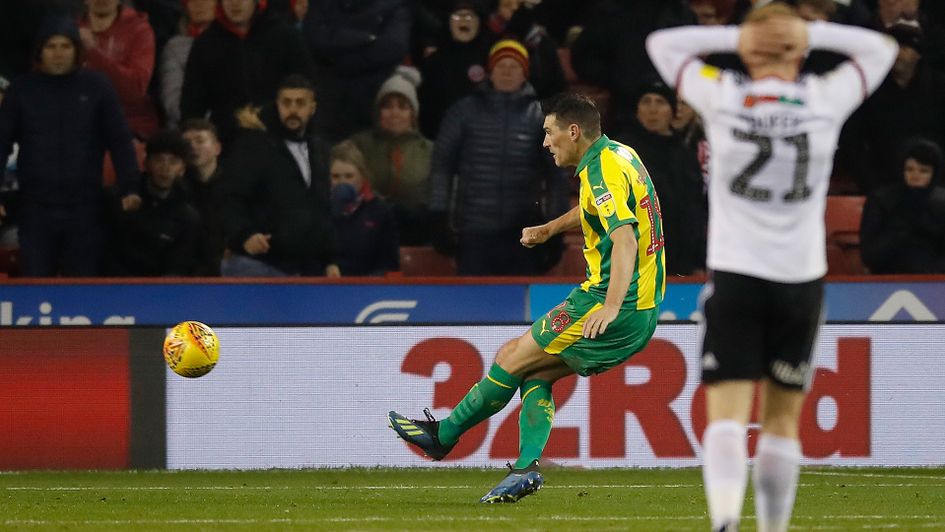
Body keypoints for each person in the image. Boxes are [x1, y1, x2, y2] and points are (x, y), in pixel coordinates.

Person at [646, 4, 897, 531]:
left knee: (727, 416)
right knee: (782, 421)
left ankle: (724, 522)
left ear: (749, 49)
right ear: (799, 49)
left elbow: (661, 45)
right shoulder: (824, 98)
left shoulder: (724, 95)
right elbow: (882, 48)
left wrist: (740, 37)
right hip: (800, 280)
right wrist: (809, 32)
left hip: (737, 274)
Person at [389, 92, 665, 503]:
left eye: (550, 132)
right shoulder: (620, 155)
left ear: (574, 132)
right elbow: (598, 209)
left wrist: (610, 306)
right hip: (641, 307)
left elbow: (624, 239)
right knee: (535, 374)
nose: (546, 142)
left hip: (613, 304)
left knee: (510, 358)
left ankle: (443, 436)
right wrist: (550, 229)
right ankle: (525, 469)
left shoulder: (601, 172)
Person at [0, 15, 141, 277]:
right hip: (35, 207)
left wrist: (130, 185)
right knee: (36, 282)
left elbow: (120, 139)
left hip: (85, 206)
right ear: (40, 51)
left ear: (77, 50)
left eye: (65, 46)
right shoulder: (22, 90)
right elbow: (2, 142)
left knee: (83, 284)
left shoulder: (97, 87)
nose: (58, 53)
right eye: (51, 46)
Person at [428, 39, 570, 275]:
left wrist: (555, 230)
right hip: (474, 232)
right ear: (490, 72)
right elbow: (441, 167)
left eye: (514, 66)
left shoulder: (541, 118)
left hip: (523, 233)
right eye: (500, 65)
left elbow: (558, 176)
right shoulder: (463, 112)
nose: (506, 71)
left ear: (524, 73)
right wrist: (438, 215)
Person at [218, 74, 339, 277]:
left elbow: (322, 209)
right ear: (277, 105)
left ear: (312, 108)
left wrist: (329, 260)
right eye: (286, 102)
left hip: (300, 269)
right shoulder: (253, 145)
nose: (293, 109)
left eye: (300, 103)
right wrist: (245, 234)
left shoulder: (320, 150)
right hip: (255, 264)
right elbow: (229, 196)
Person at [180, 0, 317, 147]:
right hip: (227, 145)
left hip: (283, 141)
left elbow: (309, 91)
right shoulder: (206, 44)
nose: (235, 3)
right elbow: (192, 107)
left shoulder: (286, 36)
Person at [615, 79, 706, 276]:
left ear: (672, 111)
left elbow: (696, 208)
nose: (653, 109)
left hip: (681, 261)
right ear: (637, 110)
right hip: (637, 262)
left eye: (660, 102)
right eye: (646, 101)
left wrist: (699, 258)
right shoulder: (622, 152)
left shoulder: (684, 153)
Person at [348, 66, 434, 245]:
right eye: (387, 106)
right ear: (378, 112)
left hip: (417, 236)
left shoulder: (430, 151)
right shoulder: (357, 145)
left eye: (402, 107)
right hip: (367, 233)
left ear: (413, 114)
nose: (395, 113)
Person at [106, 130, 202, 276]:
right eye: (158, 160)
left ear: (182, 169)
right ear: (146, 163)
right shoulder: (120, 199)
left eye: (173, 161)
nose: (165, 167)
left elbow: (179, 265)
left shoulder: (187, 216)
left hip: (161, 286)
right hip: (115, 282)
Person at [861, 137, 945, 274]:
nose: (915, 175)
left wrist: (929, 275)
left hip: (934, 279)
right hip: (887, 277)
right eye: (909, 169)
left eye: (923, 171)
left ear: (934, 174)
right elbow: (869, 255)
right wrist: (899, 230)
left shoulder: (942, 204)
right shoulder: (880, 201)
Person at [78, 0, 161, 139]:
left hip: (130, 125)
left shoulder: (139, 30)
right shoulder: (71, 30)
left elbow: (135, 90)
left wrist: (93, 51)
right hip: (81, 123)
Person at [329, 140, 399, 276]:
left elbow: (389, 263)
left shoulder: (380, 210)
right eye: (335, 177)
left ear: (362, 177)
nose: (342, 182)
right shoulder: (317, 209)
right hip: (324, 284)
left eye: (349, 176)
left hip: (369, 284)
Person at [160, 0, 217, 129]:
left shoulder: (231, 43)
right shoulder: (175, 47)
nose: (199, 4)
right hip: (186, 128)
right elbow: (172, 101)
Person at [181, 118, 226, 276]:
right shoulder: (176, 189)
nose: (193, 146)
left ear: (217, 148)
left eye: (200, 141)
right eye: (187, 143)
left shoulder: (236, 186)